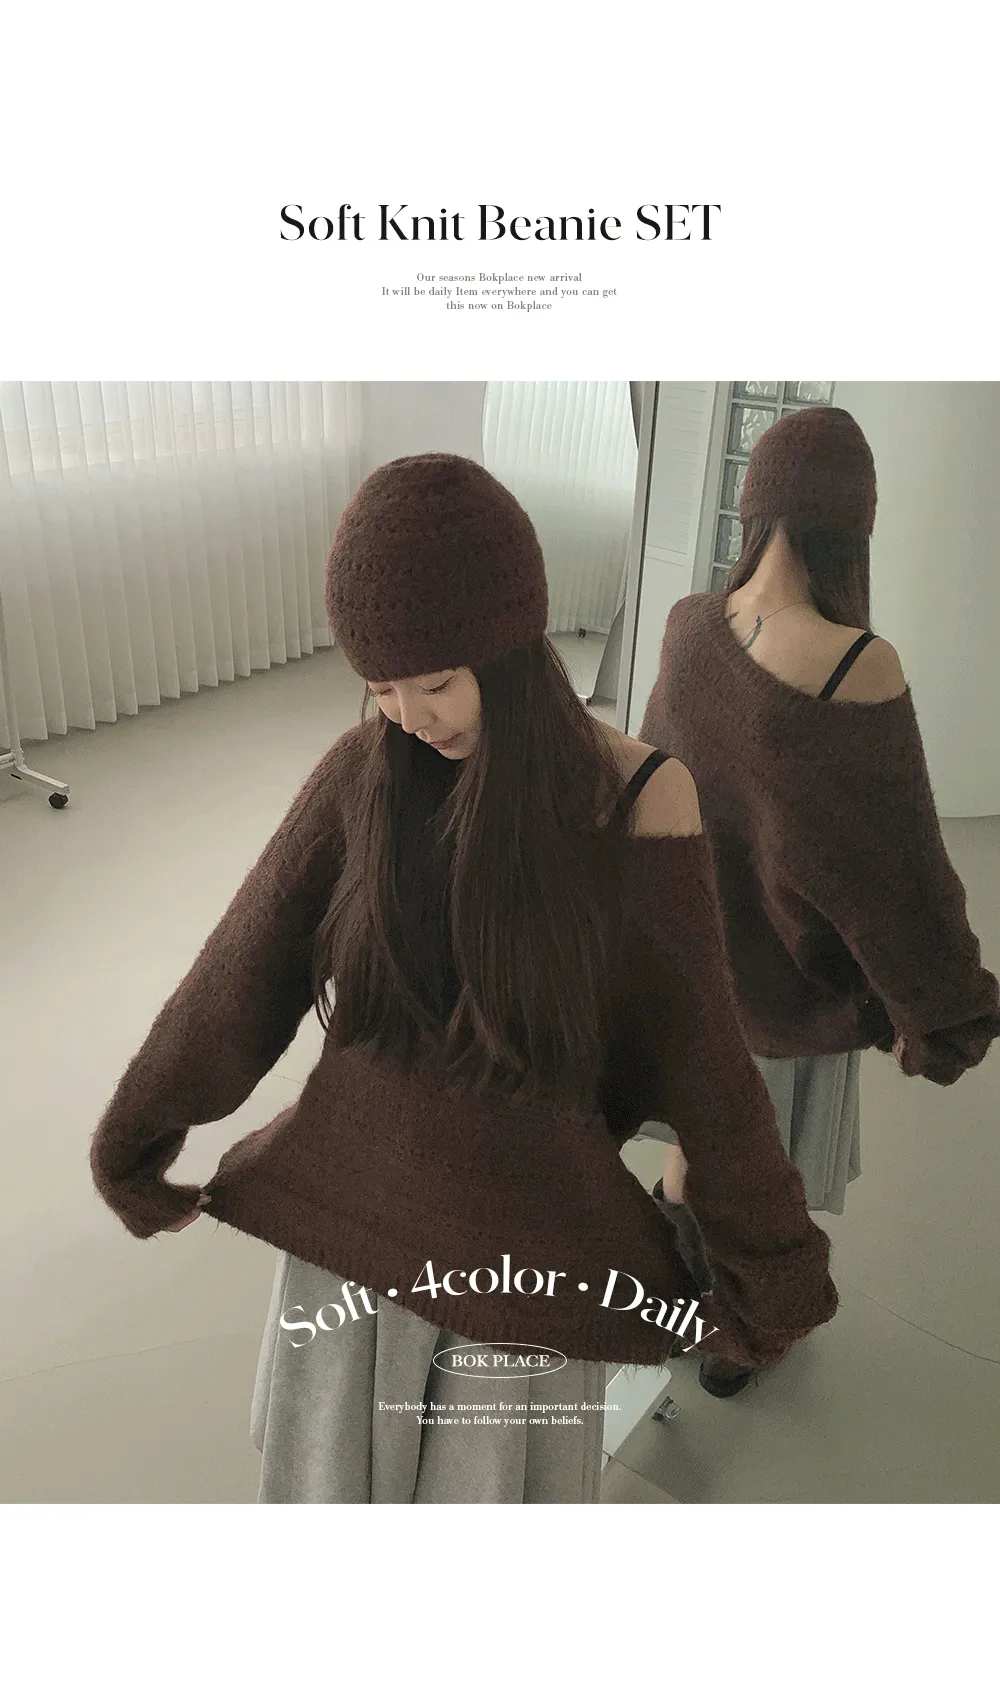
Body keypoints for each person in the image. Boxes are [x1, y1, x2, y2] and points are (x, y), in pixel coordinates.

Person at [89, 452, 836, 1503]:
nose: (407, 714)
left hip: (520, 1266)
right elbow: (239, 975)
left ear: (515, 646)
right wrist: (135, 1136)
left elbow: (702, 1058)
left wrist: (769, 1269)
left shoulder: (636, 799)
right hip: (350, 1232)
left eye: (435, 682)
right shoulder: (363, 774)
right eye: (379, 686)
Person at [639, 406, 1000, 1398]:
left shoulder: (689, 624)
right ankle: (740, 1333)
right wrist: (943, 1008)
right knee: (768, 1177)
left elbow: (651, 787)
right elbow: (899, 875)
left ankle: (668, 1299)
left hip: (688, 971)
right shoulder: (855, 663)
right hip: (784, 997)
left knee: (697, 1149)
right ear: (854, 527)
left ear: (753, 507)